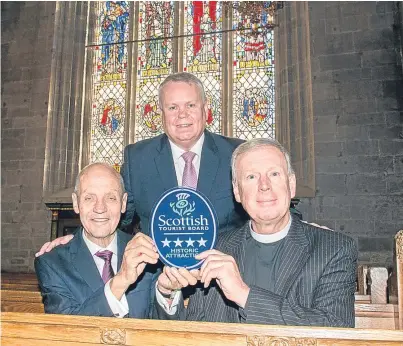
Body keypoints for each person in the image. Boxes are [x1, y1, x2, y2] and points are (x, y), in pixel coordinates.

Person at [36, 72, 248, 256]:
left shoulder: (237, 154)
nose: (182, 114)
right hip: (157, 281)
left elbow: (256, 217)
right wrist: (78, 242)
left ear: (205, 108)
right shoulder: (138, 158)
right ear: (161, 113)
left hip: (222, 282)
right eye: (172, 107)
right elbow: (116, 216)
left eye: (190, 105)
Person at [154, 138, 358, 327]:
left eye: (274, 174)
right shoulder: (214, 250)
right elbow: (191, 332)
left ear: (292, 184)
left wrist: (244, 295)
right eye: (251, 177)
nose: (264, 186)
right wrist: (168, 293)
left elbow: (335, 330)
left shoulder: (333, 249)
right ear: (237, 191)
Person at [34, 163, 160, 317]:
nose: (100, 208)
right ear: (76, 202)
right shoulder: (52, 263)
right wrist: (119, 282)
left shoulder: (147, 251)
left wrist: (167, 294)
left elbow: (164, 321)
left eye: (111, 198)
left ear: (123, 203)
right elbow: (66, 331)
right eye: (89, 198)